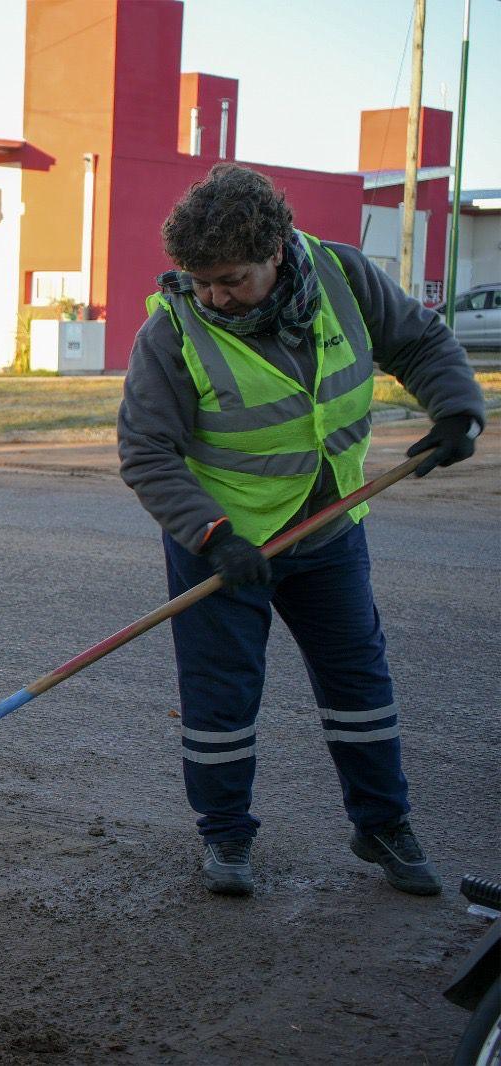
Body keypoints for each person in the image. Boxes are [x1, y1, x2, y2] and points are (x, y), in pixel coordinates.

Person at [118, 163, 485, 898]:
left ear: (277, 251)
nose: (214, 297)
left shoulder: (344, 277)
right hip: (225, 541)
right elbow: (146, 452)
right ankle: (225, 836)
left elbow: (417, 341)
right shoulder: (172, 328)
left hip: (329, 526)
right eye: (201, 281)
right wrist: (214, 534)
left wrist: (455, 408)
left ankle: (383, 822)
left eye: (230, 279)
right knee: (220, 695)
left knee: (359, 680)